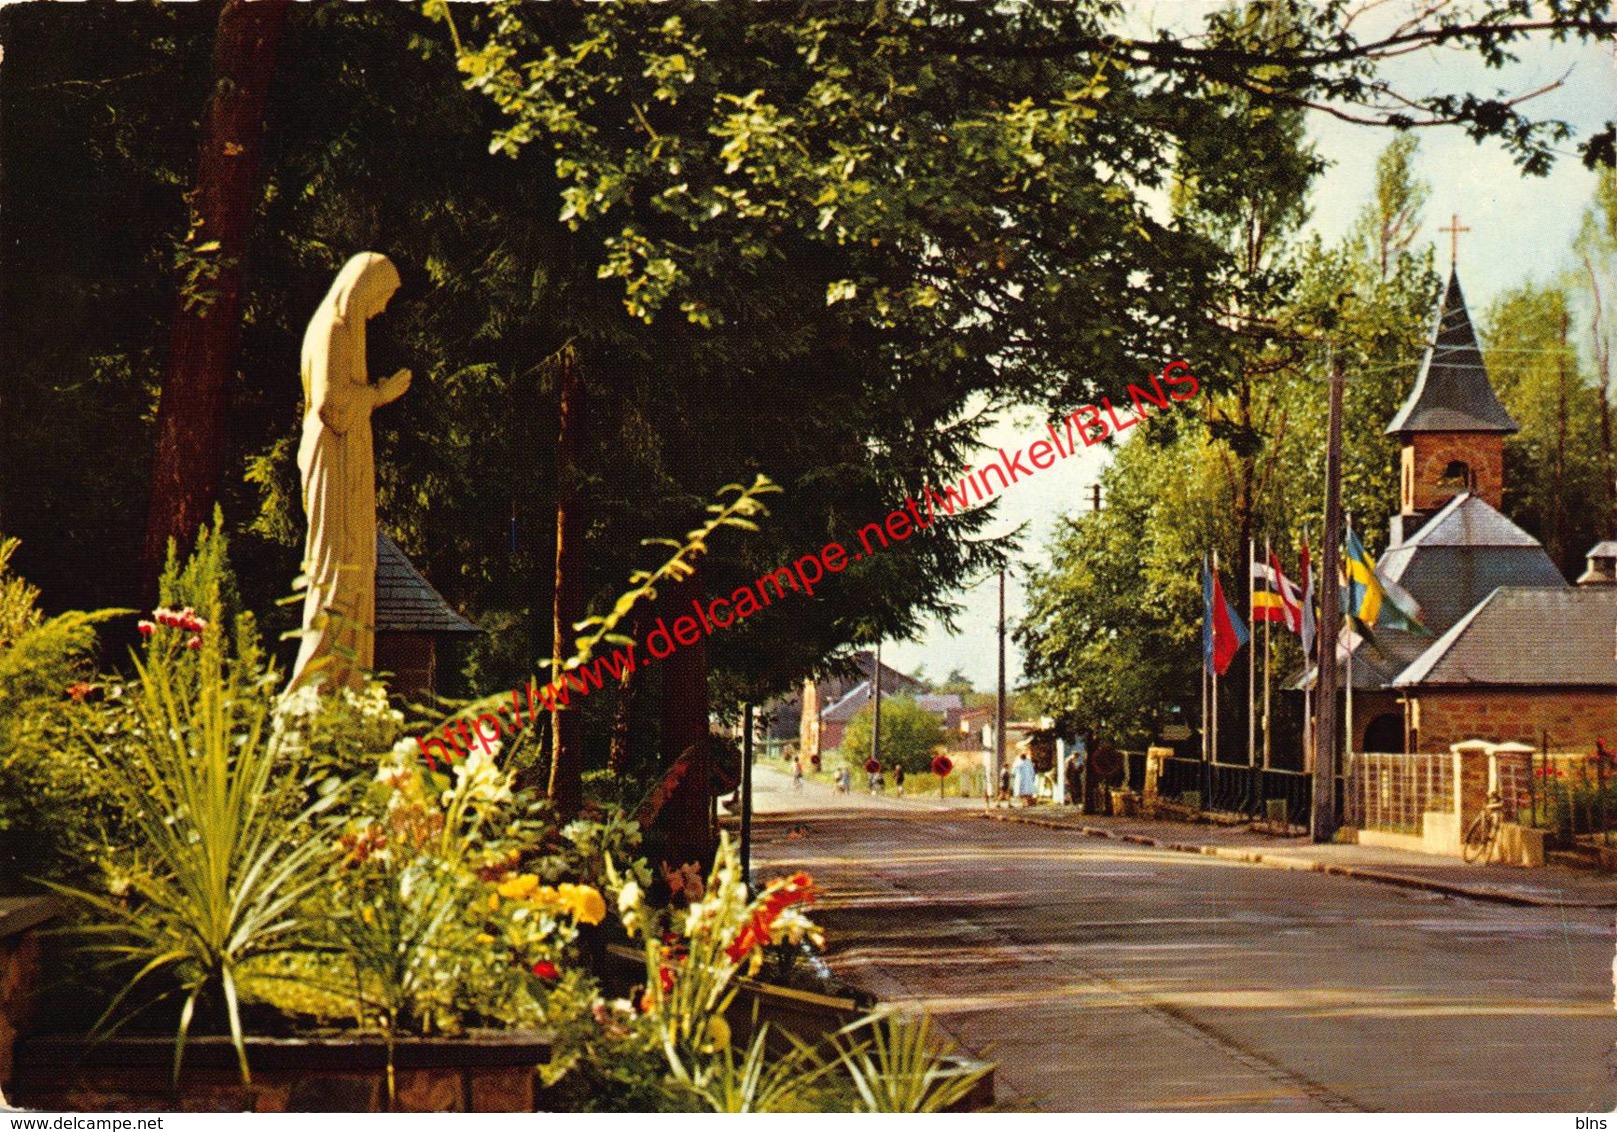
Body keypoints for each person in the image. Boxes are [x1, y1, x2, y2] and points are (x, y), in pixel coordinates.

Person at [290, 252, 412, 694]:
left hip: (342, 458)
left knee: (354, 564)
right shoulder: (335, 329)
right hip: (333, 458)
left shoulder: (340, 328)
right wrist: (382, 393)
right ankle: (316, 687)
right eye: (382, 297)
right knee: (338, 568)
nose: (381, 309)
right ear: (363, 287)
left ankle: (348, 682)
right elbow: (333, 407)